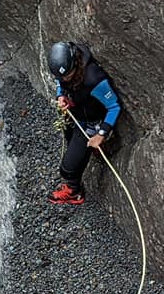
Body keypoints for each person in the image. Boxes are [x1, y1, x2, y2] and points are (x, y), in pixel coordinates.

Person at [46, 41, 120, 207]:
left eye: (67, 76)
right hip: (77, 113)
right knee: (69, 138)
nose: (64, 79)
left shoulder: (93, 79)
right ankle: (76, 178)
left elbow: (114, 106)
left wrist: (101, 134)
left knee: (68, 167)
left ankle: (74, 192)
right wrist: (60, 95)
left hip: (92, 123)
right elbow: (61, 81)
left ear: (75, 64)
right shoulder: (67, 70)